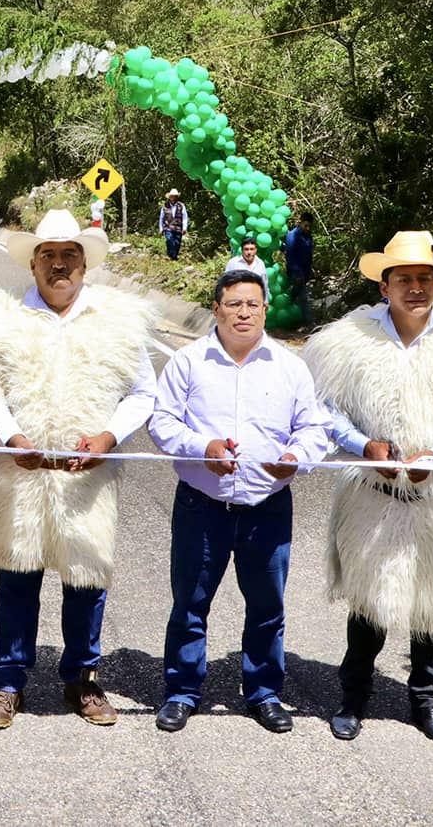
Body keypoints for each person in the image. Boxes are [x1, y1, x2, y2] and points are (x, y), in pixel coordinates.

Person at [301, 231, 433, 745]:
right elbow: (326, 407)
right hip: (370, 497)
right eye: (405, 279)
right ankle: (353, 696)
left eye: (425, 278)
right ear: (385, 285)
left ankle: (426, 701)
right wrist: (361, 445)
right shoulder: (350, 339)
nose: (416, 288)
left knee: (431, 605)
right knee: (367, 602)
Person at [0, 210, 156, 730]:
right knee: (17, 579)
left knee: (86, 579)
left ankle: (83, 680)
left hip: (87, 475)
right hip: (22, 472)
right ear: (33, 264)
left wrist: (109, 437)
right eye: (48, 255)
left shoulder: (117, 320)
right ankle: (8, 683)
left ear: (84, 264)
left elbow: (143, 393)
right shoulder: (0, 318)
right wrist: (11, 437)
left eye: (68, 256)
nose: (58, 265)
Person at [148, 269, 330, 735]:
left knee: (268, 606)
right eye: (234, 304)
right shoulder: (189, 362)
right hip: (201, 505)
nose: (244, 313)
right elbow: (162, 423)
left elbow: (313, 430)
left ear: (266, 309)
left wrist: (296, 459)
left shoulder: (290, 367)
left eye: (253, 304)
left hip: (267, 508)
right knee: (189, 603)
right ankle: (182, 691)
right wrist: (201, 448)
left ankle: (264, 692)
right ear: (216, 309)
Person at [281, 212, 315, 325]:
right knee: (303, 297)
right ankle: (310, 323)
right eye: (306, 225)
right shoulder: (292, 235)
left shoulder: (308, 236)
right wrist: (296, 272)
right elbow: (289, 255)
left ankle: (284, 311)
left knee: (293, 294)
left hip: (305, 272)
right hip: (296, 272)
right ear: (300, 222)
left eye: (309, 226)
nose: (307, 228)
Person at [160, 190, 188, 261]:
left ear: (177, 197)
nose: (173, 198)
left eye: (175, 196)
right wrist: (161, 229)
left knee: (177, 243)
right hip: (168, 227)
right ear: (169, 197)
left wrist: (184, 228)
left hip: (178, 227)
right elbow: (161, 218)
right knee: (169, 240)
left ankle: (174, 257)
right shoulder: (165, 206)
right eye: (172, 196)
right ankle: (170, 255)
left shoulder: (181, 205)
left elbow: (185, 217)